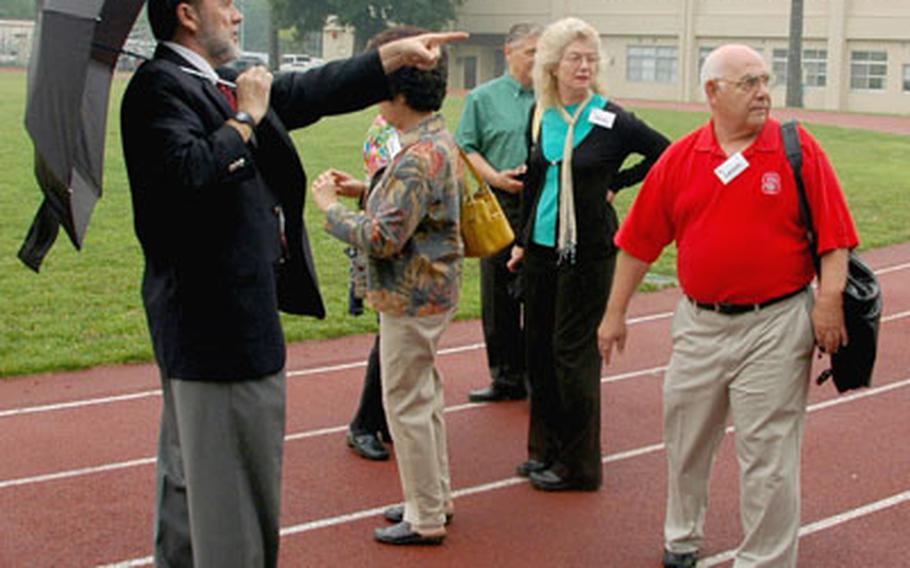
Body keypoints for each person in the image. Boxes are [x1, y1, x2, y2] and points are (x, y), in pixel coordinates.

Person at [120, 1, 465, 564]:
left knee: (191, 488)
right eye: (225, 3)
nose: (236, 14)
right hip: (217, 328)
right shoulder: (160, 89)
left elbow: (309, 92)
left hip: (223, 321)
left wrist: (388, 60)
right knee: (233, 507)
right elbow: (185, 178)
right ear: (186, 13)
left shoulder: (217, 80)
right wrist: (246, 119)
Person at [598, 44, 858, 568]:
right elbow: (639, 241)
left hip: (778, 323)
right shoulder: (681, 158)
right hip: (700, 325)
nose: (763, 92)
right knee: (686, 440)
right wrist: (614, 313)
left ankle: (764, 559)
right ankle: (682, 538)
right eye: (749, 82)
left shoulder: (797, 149)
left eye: (766, 80)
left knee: (769, 456)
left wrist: (828, 301)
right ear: (713, 92)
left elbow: (835, 239)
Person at [310, 29, 462, 546]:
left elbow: (381, 237)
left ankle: (425, 517)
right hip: (431, 291)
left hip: (410, 295)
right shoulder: (434, 139)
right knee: (425, 398)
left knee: (408, 406)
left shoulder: (418, 155)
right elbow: (408, 211)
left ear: (397, 93)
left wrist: (330, 208)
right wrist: (367, 188)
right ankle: (434, 498)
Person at [507, 17, 669, 492]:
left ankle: (579, 466)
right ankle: (545, 451)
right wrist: (520, 239)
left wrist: (615, 184)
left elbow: (664, 153)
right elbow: (534, 180)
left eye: (590, 58)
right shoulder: (541, 114)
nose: (584, 66)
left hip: (589, 253)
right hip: (540, 250)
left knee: (572, 355)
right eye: (574, 58)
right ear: (553, 65)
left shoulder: (611, 118)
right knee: (537, 350)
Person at [456, 23, 541, 403]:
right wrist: (497, 179)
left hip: (543, 204)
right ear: (509, 52)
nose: (538, 61)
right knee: (498, 295)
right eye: (531, 52)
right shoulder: (482, 98)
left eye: (544, 53)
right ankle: (506, 377)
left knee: (540, 294)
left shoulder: (554, 99)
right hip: (499, 204)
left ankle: (540, 377)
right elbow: (467, 148)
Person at [343, 113, 398, 461]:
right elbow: (384, 193)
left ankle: (382, 418)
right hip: (388, 250)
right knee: (390, 340)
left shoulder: (410, 128)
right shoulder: (386, 130)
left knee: (396, 343)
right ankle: (364, 423)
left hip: (405, 251)